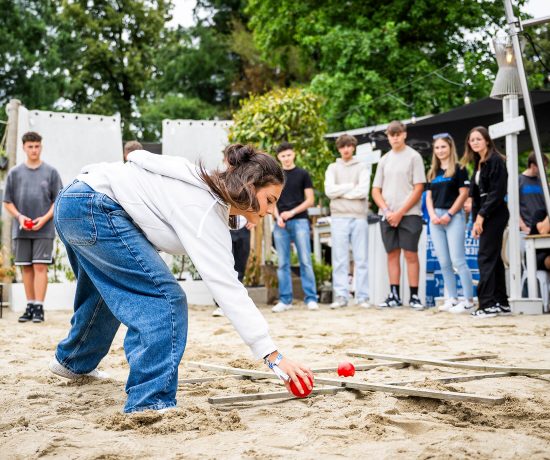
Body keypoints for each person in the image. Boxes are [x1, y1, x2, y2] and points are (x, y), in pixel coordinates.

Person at [49, 144, 313, 413]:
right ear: (248, 185)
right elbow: (227, 287)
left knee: (106, 292)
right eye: (270, 200)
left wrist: (244, 216)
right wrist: (272, 355)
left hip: (73, 200)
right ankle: (150, 401)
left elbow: (138, 156)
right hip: (95, 208)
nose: (270, 210)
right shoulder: (204, 208)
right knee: (165, 300)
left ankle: (73, 361)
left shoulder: (202, 182)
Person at [3, 131, 63, 323]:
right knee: (26, 268)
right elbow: (7, 202)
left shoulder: (51, 172)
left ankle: (39, 307)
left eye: (37, 146)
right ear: (24, 148)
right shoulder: (14, 173)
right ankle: (29, 305)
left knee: (40, 266)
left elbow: (58, 200)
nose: (34, 150)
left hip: (44, 229)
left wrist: (44, 219)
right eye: (30, 146)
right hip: (21, 228)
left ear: (41, 147)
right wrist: (20, 217)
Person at [372, 121, 426, 309]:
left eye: (398, 133)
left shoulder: (414, 157)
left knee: (411, 254)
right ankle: (394, 294)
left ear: (404, 134)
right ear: (387, 136)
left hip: (409, 214)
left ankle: (414, 296)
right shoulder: (384, 159)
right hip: (387, 214)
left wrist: (400, 212)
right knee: (392, 254)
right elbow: (376, 190)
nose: (395, 137)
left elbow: (419, 187)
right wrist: (387, 211)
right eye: (391, 134)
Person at [462, 126, 511, 318]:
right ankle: (501, 302)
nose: (474, 142)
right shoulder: (479, 163)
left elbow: (496, 194)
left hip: (495, 214)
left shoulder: (496, 161)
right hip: (485, 215)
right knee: (494, 259)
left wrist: (481, 216)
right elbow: (474, 197)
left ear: (487, 141)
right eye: (471, 140)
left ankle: (487, 304)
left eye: (478, 139)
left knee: (485, 257)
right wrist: (476, 222)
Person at [425, 133, 474, 314]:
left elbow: (463, 194)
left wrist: (450, 214)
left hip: (453, 216)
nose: (440, 151)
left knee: (458, 260)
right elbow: (428, 197)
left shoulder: (460, 169)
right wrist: (432, 215)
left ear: (450, 147)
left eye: (443, 147)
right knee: (444, 261)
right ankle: (452, 298)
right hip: (435, 219)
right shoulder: (432, 172)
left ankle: (468, 300)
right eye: (437, 148)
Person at [324, 134, 370, 309]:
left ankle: (362, 296)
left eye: (349, 146)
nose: (346, 149)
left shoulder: (362, 167)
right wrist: (350, 186)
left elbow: (363, 191)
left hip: (359, 216)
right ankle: (341, 295)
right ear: (339, 148)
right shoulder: (332, 167)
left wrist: (341, 193)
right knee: (340, 258)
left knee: (361, 258)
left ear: (353, 147)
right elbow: (329, 191)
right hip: (338, 217)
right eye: (343, 146)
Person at [271, 142, 319, 312]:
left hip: (299, 221)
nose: (286, 158)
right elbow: (272, 200)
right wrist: (278, 217)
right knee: (283, 263)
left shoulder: (303, 174)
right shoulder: (275, 177)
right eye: (283, 156)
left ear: (294, 154)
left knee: (305, 260)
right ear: (278, 157)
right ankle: (285, 300)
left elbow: (310, 200)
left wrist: (291, 213)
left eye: (289, 155)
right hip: (280, 223)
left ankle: (311, 298)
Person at [212, 214, 254, 317]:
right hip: (226, 228)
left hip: (244, 228)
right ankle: (221, 304)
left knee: (240, 266)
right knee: (225, 267)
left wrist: (253, 219)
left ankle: (234, 303)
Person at [519, 152, 548, 234]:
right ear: (532, 166)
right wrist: (523, 227)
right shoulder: (518, 181)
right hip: (526, 230)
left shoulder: (543, 181)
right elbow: (512, 207)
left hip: (542, 228)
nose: (545, 169)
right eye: (543, 166)